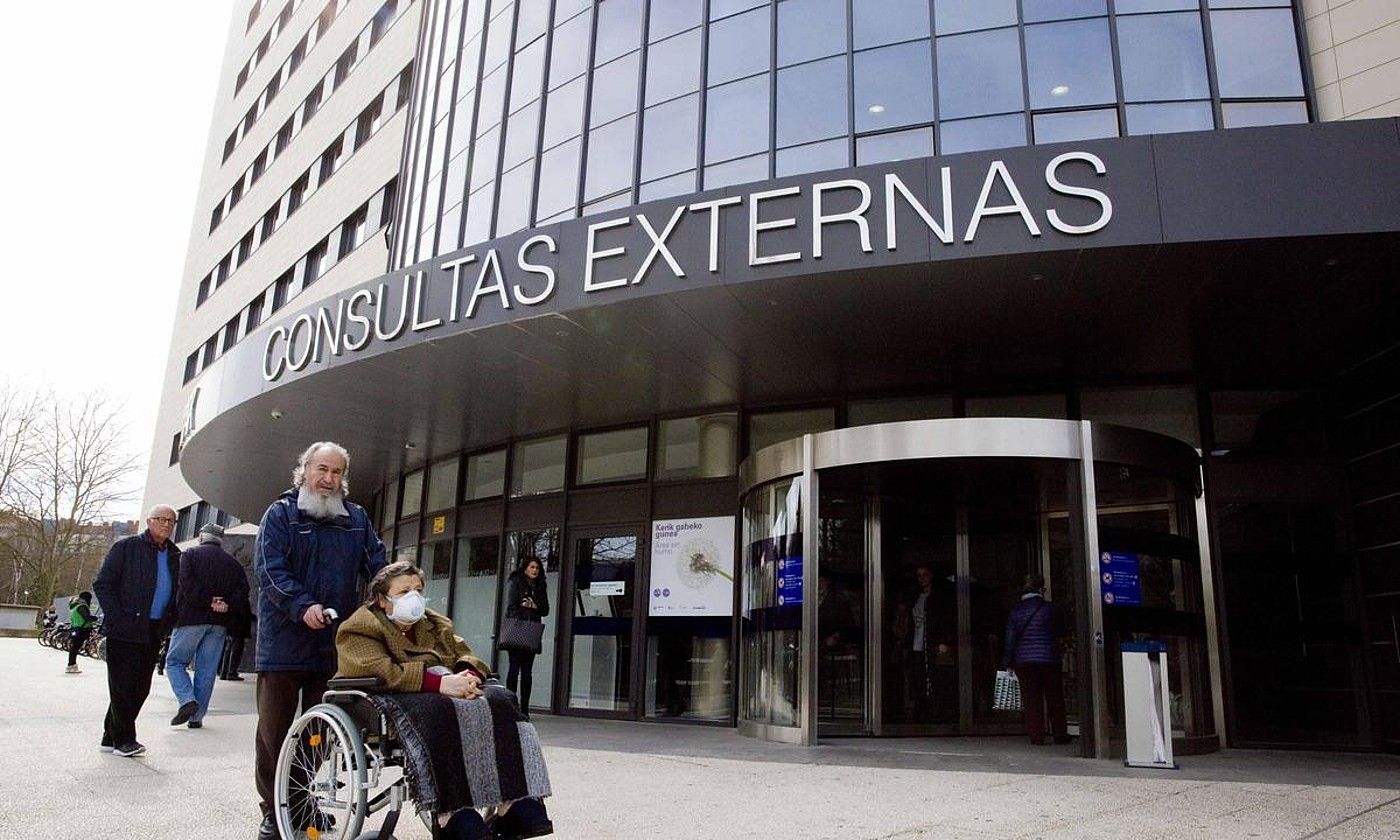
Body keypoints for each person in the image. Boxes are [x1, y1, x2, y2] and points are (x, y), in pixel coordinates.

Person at [336, 561, 553, 840]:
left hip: (446, 687)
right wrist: (440, 684)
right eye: (404, 591)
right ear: (382, 598)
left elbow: (465, 653)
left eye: (418, 589)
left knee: (503, 699)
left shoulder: (433, 623)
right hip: (393, 696)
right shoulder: (359, 627)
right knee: (440, 711)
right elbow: (378, 669)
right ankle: (452, 813)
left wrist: (469, 675)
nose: (414, 597)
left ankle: (517, 803)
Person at [254, 441, 386, 840]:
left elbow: (377, 566)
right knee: (275, 732)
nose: (329, 479)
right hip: (283, 642)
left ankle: (301, 801)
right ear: (305, 470)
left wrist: (395, 593)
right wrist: (302, 605)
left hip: (333, 642)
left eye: (337, 472)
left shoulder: (356, 519)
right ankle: (273, 809)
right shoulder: (281, 514)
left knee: (321, 733)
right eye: (322, 470)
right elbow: (270, 570)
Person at [92, 504, 182, 758]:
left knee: (140, 687)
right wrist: (118, 618)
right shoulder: (127, 547)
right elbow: (103, 584)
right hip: (125, 628)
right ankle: (124, 740)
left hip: (153, 629)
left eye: (171, 521)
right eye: (161, 519)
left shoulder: (175, 555)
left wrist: (170, 620)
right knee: (122, 685)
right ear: (149, 521)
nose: (166, 524)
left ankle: (110, 736)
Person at [165, 523, 250, 729]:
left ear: (202, 537)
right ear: (221, 540)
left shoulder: (189, 555)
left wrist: (207, 602)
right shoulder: (233, 563)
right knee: (207, 670)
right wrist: (225, 604)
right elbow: (243, 591)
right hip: (219, 623)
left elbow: (186, 584)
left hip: (191, 619)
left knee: (175, 662)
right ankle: (196, 718)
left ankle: (187, 700)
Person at [1003, 573, 1070, 745]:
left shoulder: (1016, 611)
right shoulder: (1052, 609)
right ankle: (1060, 734)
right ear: (1041, 589)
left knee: (1031, 699)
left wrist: (1008, 662)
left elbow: (1010, 640)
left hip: (1024, 660)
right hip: (1049, 658)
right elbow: (1061, 633)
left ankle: (1037, 736)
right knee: (1055, 697)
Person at [503, 557, 549, 717]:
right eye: (532, 567)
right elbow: (511, 607)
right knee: (514, 669)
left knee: (527, 672)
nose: (535, 570)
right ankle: (510, 707)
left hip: (532, 631)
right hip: (517, 630)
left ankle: (525, 709)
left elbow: (545, 609)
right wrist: (524, 608)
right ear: (525, 568)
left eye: (537, 568)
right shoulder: (516, 582)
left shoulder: (541, 585)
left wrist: (534, 606)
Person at [65, 591, 96, 674]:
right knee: (75, 648)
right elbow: (86, 617)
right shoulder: (82, 606)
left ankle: (71, 665)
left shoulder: (74, 606)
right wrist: (94, 618)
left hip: (75, 628)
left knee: (74, 648)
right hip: (82, 629)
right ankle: (71, 665)